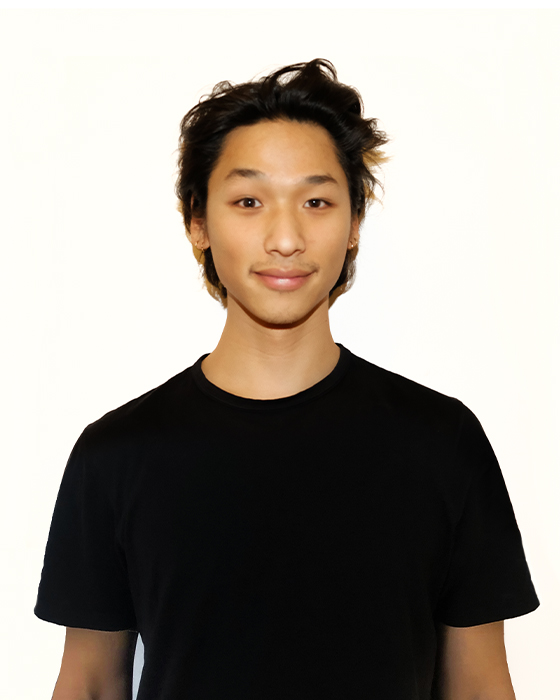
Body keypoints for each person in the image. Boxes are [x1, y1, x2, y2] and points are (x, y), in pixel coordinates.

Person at [35, 59, 540, 700]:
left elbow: (481, 687)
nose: (285, 238)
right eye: (249, 202)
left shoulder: (441, 441)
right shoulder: (116, 455)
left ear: (354, 225)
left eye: (316, 202)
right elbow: (87, 684)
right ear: (198, 223)